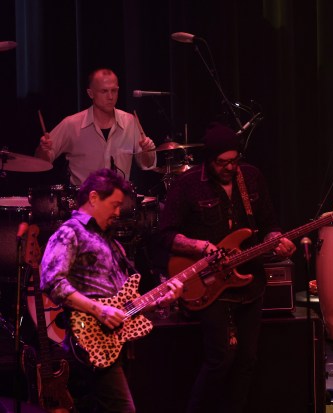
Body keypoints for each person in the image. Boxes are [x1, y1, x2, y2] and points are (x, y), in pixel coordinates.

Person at [156, 122, 296, 413]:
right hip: (209, 282)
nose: (230, 168)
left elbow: (269, 225)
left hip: (250, 280)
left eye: (234, 161)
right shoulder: (188, 184)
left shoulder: (252, 178)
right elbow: (166, 234)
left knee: (247, 360)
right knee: (220, 358)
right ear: (209, 160)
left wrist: (277, 241)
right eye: (222, 163)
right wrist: (203, 247)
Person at [39, 168, 183, 412]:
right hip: (89, 338)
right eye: (114, 205)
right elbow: (51, 281)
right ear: (94, 198)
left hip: (114, 342)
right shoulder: (70, 232)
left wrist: (159, 300)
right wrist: (99, 310)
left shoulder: (113, 244)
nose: (118, 213)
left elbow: (126, 304)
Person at [35, 68, 156, 186]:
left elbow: (147, 164)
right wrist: (43, 149)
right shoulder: (71, 124)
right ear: (90, 93)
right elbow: (42, 162)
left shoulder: (130, 121)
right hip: (84, 201)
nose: (110, 96)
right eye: (104, 91)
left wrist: (147, 151)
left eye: (114, 91)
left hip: (119, 201)